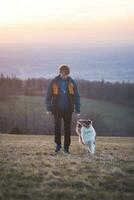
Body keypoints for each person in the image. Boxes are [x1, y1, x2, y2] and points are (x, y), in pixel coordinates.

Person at [45, 65, 81, 154]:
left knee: (67, 129)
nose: (65, 76)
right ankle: (58, 145)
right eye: (63, 74)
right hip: (56, 108)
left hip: (68, 109)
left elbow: (76, 96)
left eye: (66, 75)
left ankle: (66, 147)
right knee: (57, 127)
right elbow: (48, 96)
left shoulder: (71, 82)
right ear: (60, 72)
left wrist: (78, 110)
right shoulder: (54, 82)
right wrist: (48, 108)